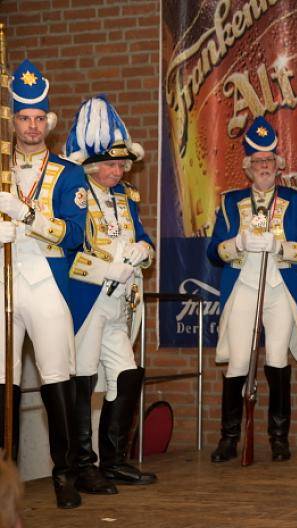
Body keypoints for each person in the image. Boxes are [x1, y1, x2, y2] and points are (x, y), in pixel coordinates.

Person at [0, 60, 87, 509]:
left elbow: (76, 235)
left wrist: (27, 215)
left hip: (47, 280)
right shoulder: (0, 164)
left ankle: (64, 474)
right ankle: (5, 476)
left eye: (38, 119)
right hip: (3, 279)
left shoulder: (68, 172)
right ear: (12, 121)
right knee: (3, 381)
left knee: (57, 377)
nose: (31, 127)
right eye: (23, 118)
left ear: (47, 123)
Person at [207, 116, 297, 463]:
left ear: (278, 164)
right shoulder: (230, 202)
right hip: (243, 286)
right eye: (258, 162)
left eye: (269, 160)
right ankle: (229, 439)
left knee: (277, 359)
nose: (264, 166)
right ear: (248, 167)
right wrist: (236, 244)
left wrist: (281, 247)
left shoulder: (296, 201)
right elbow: (213, 252)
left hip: (280, 288)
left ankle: (278, 439)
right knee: (239, 361)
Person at [65, 95, 156, 489]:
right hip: (87, 301)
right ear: (92, 164)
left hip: (121, 303)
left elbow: (144, 237)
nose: (119, 171)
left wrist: (144, 250)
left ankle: (114, 461)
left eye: (122, 165)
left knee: (126, 374)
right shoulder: (76, 195)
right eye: (111, 164)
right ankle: (82, 466)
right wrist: (106, 269)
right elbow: (67, 251)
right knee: (83, 380)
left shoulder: (126, 198)